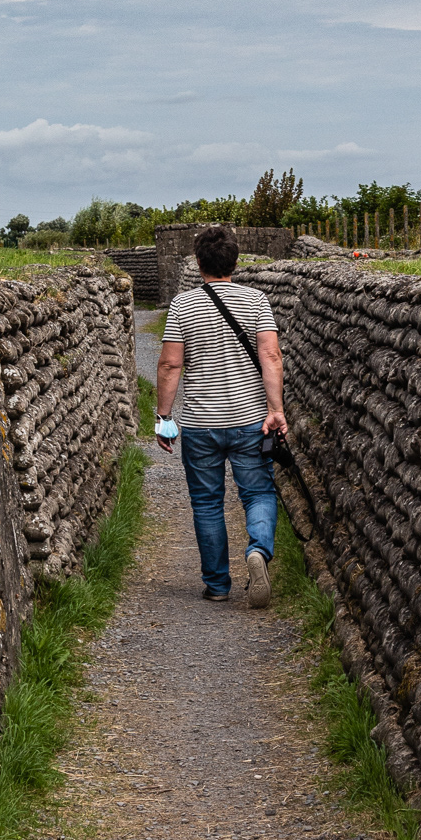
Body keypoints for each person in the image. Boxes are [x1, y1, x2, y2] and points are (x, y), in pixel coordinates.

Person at [154, 223, 288, 606]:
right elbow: (271, 357)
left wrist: (164, 418)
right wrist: (276, 410)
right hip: (250, 420)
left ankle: (217, 585)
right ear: (236, 261)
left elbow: (168, 366)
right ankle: (258, 550)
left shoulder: (183, 305)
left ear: (199, 263)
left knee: (207, 502)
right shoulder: (257, 301)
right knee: (259, 491)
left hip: (200, 425)